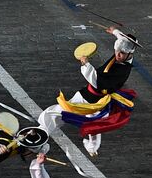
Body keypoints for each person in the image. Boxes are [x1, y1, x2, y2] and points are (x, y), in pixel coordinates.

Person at [38, 28, 139, 159]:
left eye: (121, 53)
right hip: (99, 102)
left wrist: (86, 64)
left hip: (88, 99)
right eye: (116, 51)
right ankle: (92, 148)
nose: (117, 55)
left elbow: (98, 83)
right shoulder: (124, 55)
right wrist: (115, 31)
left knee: (55, 112)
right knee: (94, 126)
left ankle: (39, 137)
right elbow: (122, 38)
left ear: (130, 53)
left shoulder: (122, 72)